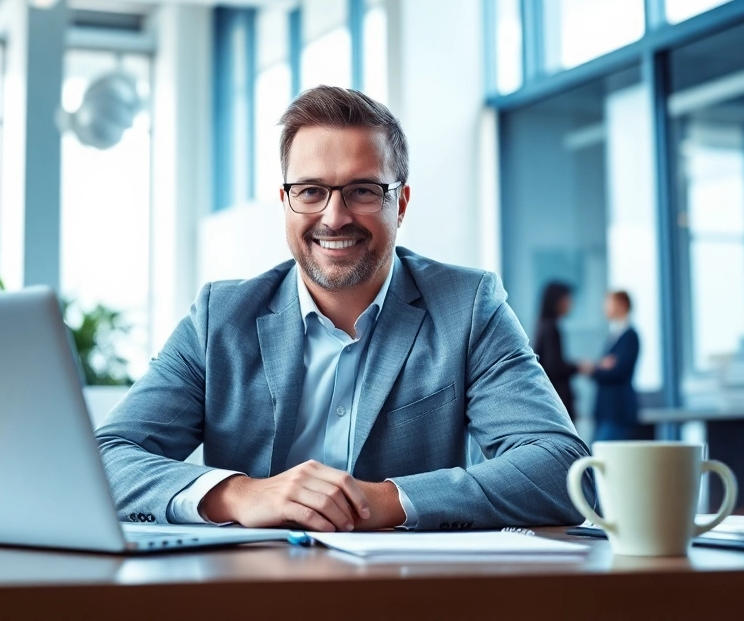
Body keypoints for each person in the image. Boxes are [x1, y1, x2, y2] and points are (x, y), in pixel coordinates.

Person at [96, 86, 590, 532]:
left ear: (400, 203)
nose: (334, 217)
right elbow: (104, 459)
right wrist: (240, 494)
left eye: (362, 191)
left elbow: (562, 469)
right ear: (286, 201)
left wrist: (387, 500)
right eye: (310, 191)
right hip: (247, 593)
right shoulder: (219, 318)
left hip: (406, 596)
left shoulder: (467, 307)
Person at [579, 291, 640, 442]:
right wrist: (601, 366)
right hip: (606, 410)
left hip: (617, 411)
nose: (605, 308)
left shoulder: (630, 336)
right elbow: (607, 366)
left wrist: (594, 368)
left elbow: (619, 371)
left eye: (609, 303)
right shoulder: (614, 335)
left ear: (622, 305)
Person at [533, 282, 579, 420]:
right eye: (567, 299)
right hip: (557, 399)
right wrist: (579, 367)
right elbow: (554, 366)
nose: (570, 303)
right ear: (557, 301)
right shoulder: (550, 327)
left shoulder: (543, 326)